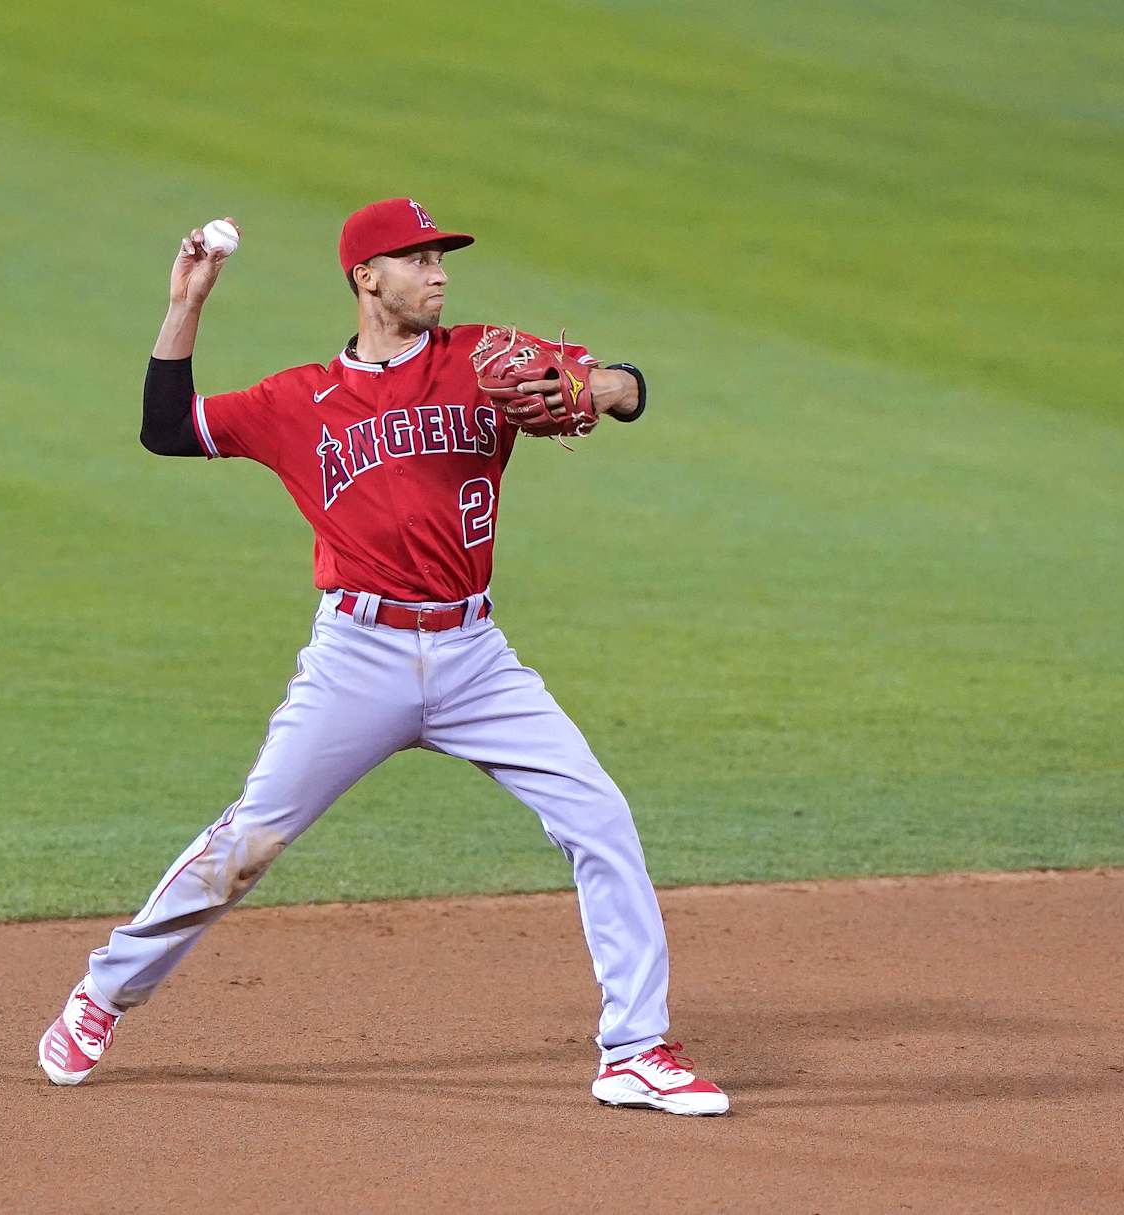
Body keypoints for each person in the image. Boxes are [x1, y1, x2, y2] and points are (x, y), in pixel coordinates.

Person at [36, 198, 727, 1115]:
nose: (438, 273)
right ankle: (102, 994)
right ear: (367, 277)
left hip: (476, 656)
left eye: (442, 258)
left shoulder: (484, 356)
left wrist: (598, 389)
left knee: (598, 815)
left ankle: (635, 1049)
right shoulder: (296, 401)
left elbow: (628, 384)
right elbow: (167, 427)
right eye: (418, 259)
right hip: (356, 656)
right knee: (248, 843)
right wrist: (186, 303)